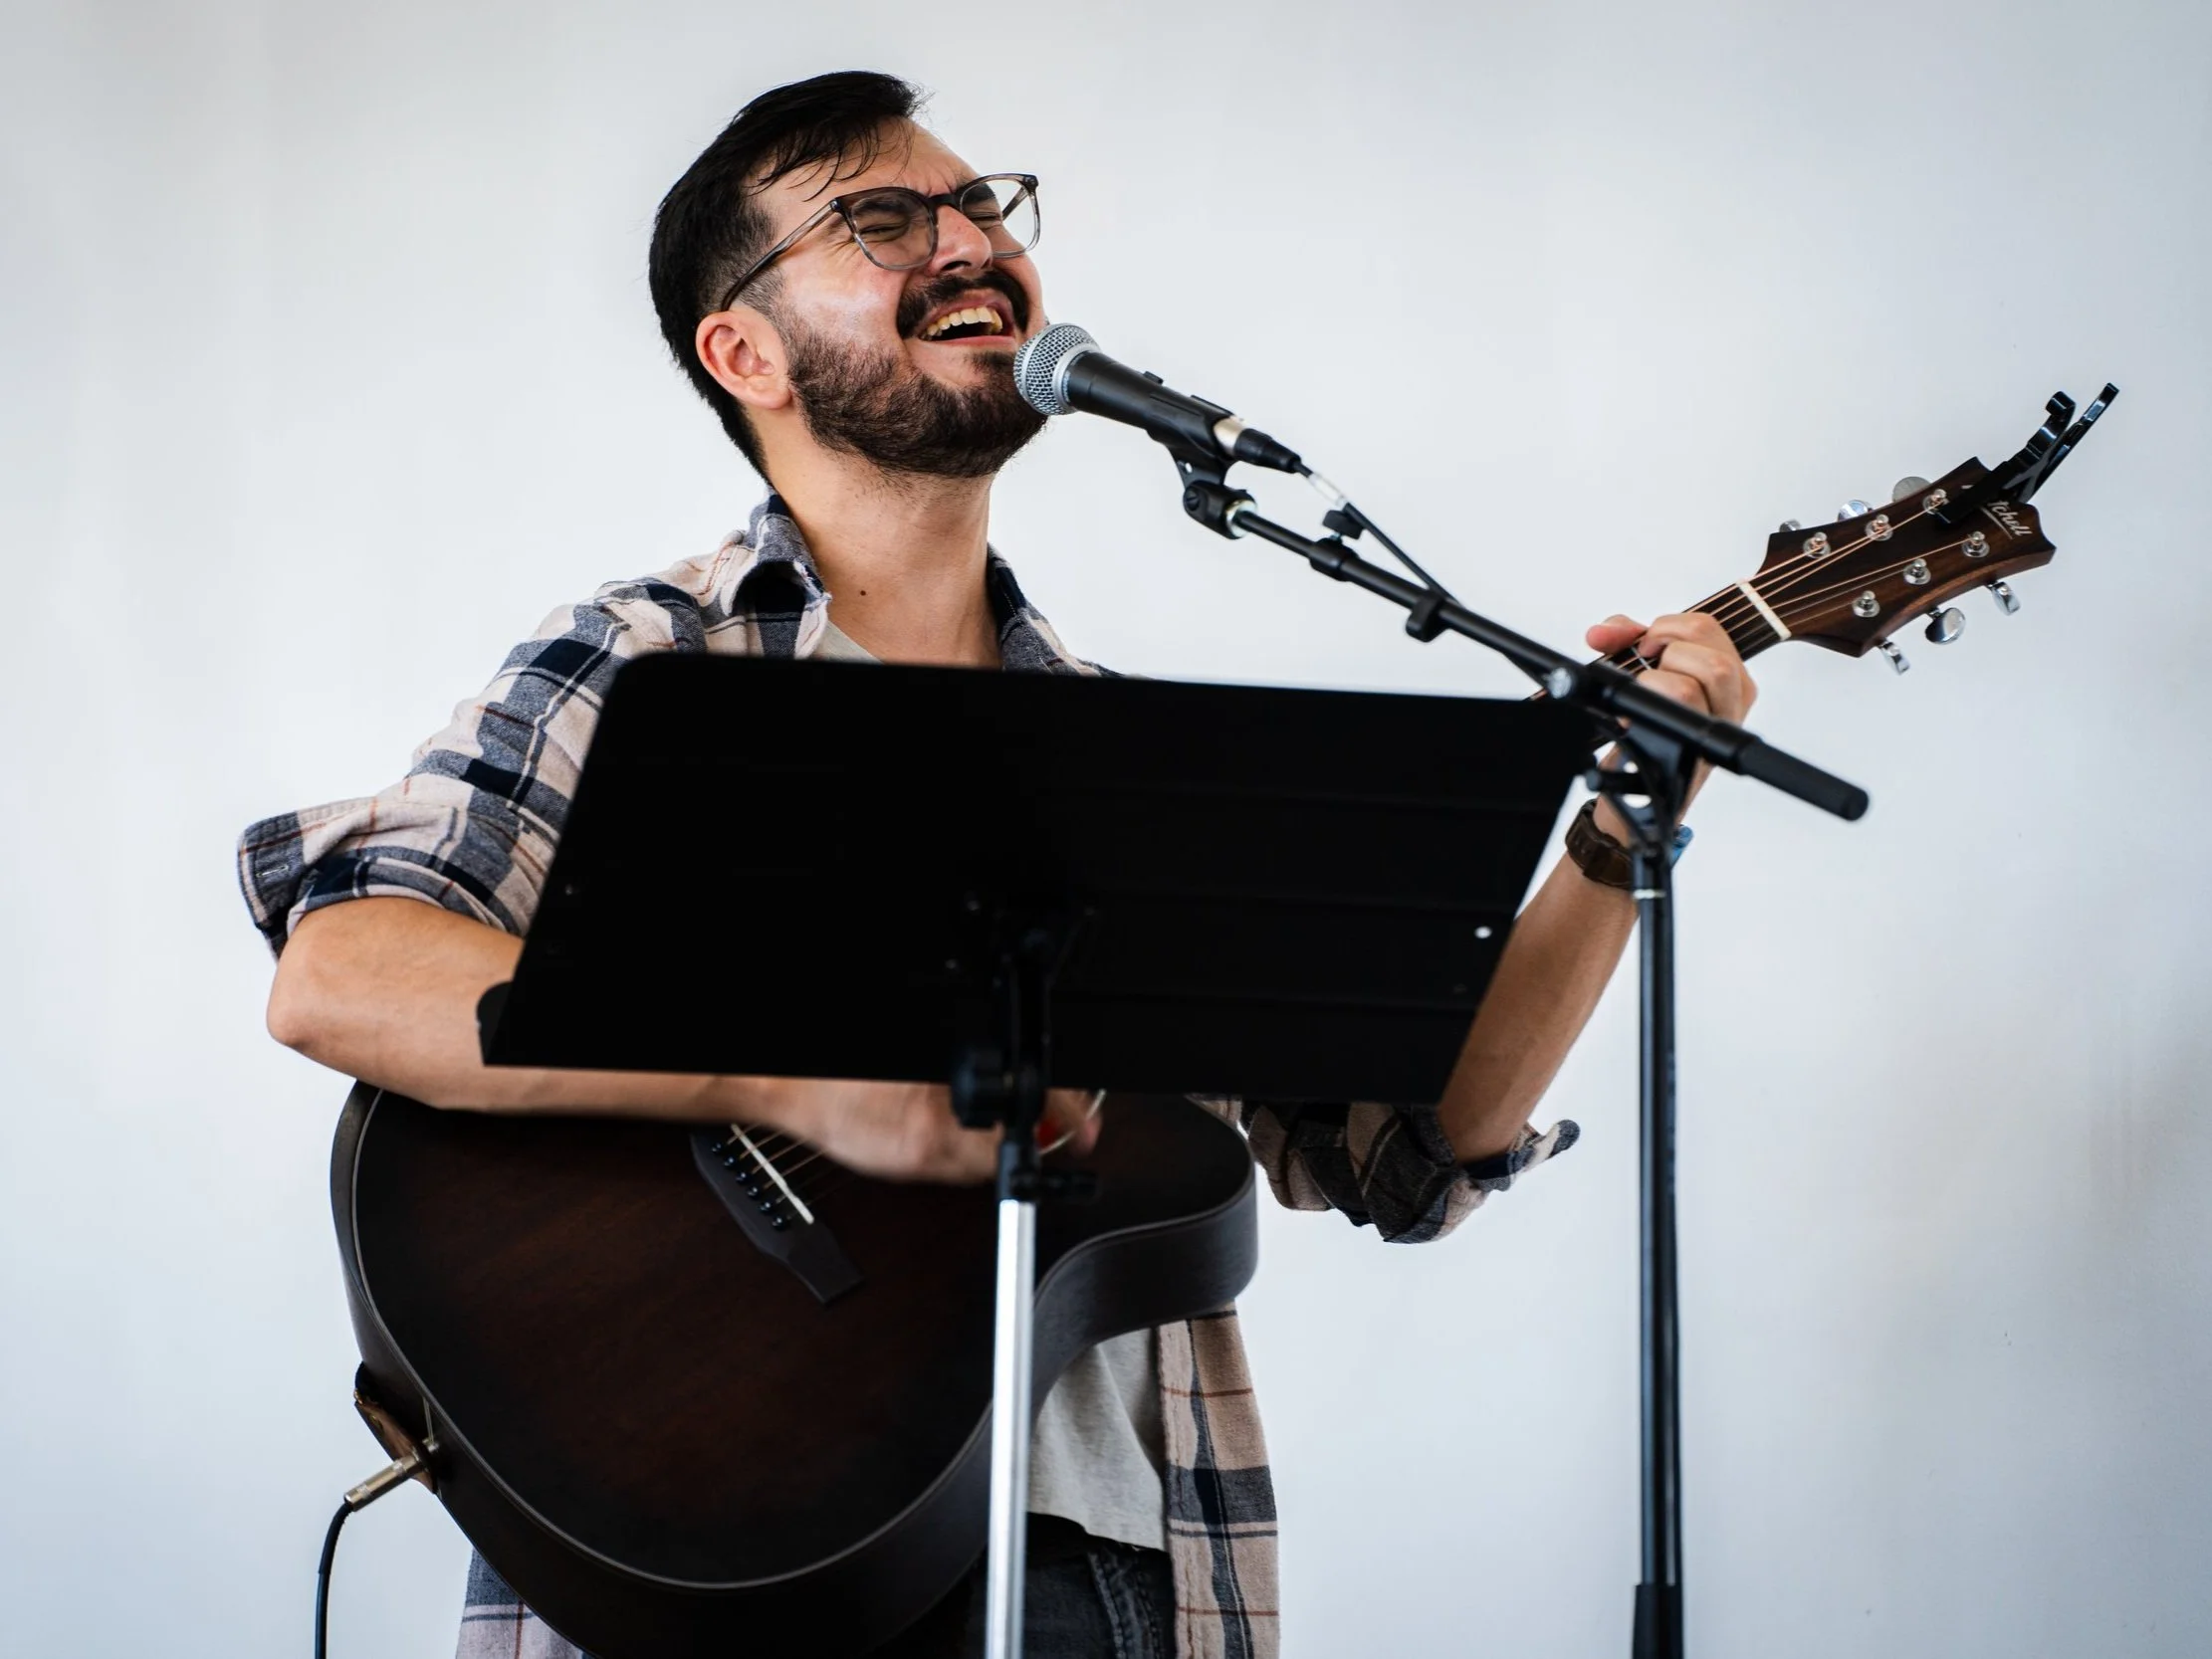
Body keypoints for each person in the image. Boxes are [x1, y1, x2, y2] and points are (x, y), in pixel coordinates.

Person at [238, 70, 1757, 1659]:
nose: (965, 241)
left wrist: (1618, 827)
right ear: (744, 353)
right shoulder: (650, 663)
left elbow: (1406, 1145)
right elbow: (343, 972)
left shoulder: (1124, 760)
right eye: (881, 220)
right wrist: (793, 1080)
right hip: (717, 1535)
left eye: (979, 206)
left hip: (1101, 1567)